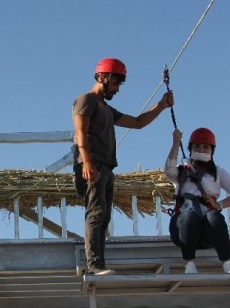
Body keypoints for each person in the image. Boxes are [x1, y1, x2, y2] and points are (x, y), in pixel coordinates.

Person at [73, 58, 174, 276]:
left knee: (104, 216)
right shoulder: (86, 100)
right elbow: (80, 133)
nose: (117, 89)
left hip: (107, 168)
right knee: (96, 214)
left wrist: (162, 105)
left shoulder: (107, 109)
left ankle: (99, 264)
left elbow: (138, 123)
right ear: (102, 77)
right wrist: (87, 162)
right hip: (93, 165)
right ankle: (94, 265)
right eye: (115, 83)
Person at [164, 127, 230, 274]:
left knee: (215, 216)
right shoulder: (182, 171)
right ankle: (189, 264)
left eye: (205, 147)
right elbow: (169, 171)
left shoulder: (218, 172)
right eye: (197, 146)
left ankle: (227, 263)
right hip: (183, 229)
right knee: (188, 216)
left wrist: (218, 204)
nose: (201, 149)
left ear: (212, 150)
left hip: (208, 231)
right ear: (190, 148)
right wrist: (176, 142)